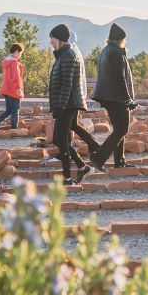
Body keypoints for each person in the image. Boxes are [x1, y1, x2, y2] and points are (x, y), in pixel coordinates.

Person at [48, 23, 97, 183]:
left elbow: (67, 84)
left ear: (60, 39)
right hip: (66, 104)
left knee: (60, 140)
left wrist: (60, 107)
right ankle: (82, 168)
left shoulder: (68, 55)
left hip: (68, 105)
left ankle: (68, 177)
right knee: (59, 140)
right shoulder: (63, 55)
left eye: (52, 39)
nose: (50, 42)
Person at [89, 23, 138, 171]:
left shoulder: (106, 50)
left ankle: (120, 161)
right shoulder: (116, 52)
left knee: (118, 129)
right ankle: (98, 158)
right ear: (120, 39)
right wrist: (127, 98)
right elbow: (120, 77)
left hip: (110, 96)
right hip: (116, 97)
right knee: (122, 129)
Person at [0, 43, 24, 129]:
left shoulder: (6, 62)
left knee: (9, 110)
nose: (20, 55)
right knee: (15, 110)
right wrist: (18, 88)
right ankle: (14, 129)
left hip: (6, 89)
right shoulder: (14, 63)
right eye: (20, 53)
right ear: (17, 51)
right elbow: (15, 77)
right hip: (13, 90)